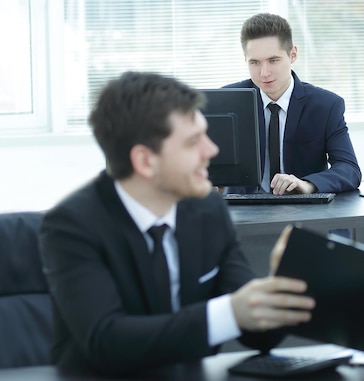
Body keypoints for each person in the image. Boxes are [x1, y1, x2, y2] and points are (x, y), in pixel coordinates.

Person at [39, 71, 315, 375]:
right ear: (145, 161)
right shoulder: (72, 226)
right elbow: (108, 339)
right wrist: (228, 313)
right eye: (192, 142)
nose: (211, 150)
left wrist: (280, 289)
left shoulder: (207, 211)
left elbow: (258, 336)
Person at [223, 12, 361, 195]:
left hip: (302, 211)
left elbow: (349, 169)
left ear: (293, 54)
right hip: (243, 214)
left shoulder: (326, 105)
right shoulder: (228, 101)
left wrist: (307, 184)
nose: (264, 72)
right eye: (255, 62)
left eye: (273, 60)